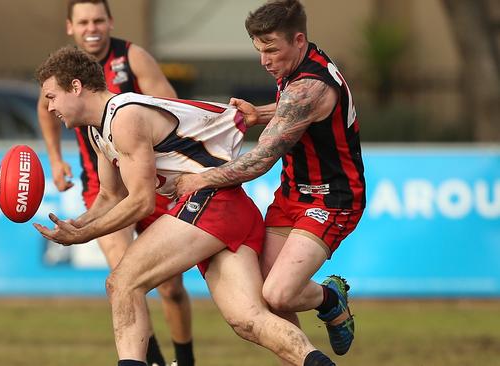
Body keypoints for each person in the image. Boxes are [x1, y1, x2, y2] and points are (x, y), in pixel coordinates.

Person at [34, 46, 338, 366]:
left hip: (209, 203)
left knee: (122, 282)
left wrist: (85, 235)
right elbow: (110, 196)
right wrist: (74, 226)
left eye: (52, 96)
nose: (49, 107)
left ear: (77, 87)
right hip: (228, 208)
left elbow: (140, 202)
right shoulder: (99, 130)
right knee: (248, 320)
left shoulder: (123, 116)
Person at [175, 0, 365, 358]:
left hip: (332, 199)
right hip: (293, 194)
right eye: (259, 50)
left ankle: (330, 298)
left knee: (280, 293)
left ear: (298, 40)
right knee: (266, 293)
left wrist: (200, 180)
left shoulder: (309, 86)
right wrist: (259, 113)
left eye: (272, 50)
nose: (265, 60)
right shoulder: (301, 68)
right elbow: (296, 110)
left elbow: (261, 159)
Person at [36, 1, 194, 365]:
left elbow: (172, 107)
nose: (92, 28)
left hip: (150, 180)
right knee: (125, 276)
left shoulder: (132, 58)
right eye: (83, 22)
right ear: (70, 28)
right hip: (102, 186)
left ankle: (185, 360)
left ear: (110, 23)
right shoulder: (61, 72)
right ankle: (151, 359)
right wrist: (56, 158)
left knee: (170, 287)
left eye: (98, 20)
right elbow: (44, 108)